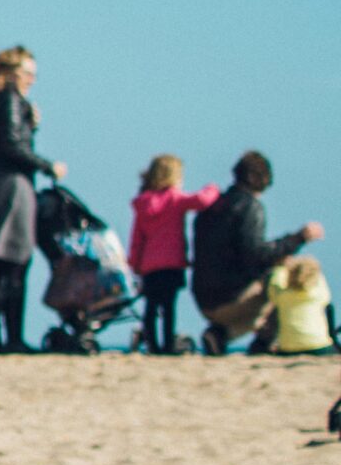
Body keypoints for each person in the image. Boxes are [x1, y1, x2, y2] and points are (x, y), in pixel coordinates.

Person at [0, 47, 65, 354]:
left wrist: (30, 123)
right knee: (13, 265)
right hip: (13, 187)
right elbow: (13, 145)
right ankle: (10, 339)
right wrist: (48, 165)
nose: (31, 81)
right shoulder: (11, 100)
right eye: (28, 74)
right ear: (10, 73)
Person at [192, 152, 324, 357]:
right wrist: (299, 238)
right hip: (231, 298)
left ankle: (219, 335)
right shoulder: (250, 207)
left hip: (203, 296)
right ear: (256, 178)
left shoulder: (213, 206)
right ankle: (261, 341)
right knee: (279, 282)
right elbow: (254, 255)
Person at [127, 156, 219, 354]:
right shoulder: (175, 199)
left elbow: (137, 238)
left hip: (149, 265)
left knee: (150, 308)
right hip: (171, 263)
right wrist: (213, 188)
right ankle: (168, 345)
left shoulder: (143, 204)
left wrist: (134, 263)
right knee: (169, 308)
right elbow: (202, 200)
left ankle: (152, 345)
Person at [266, 258, 336, 354]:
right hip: (318, 345)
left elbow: (274, 283)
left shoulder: (281, 296)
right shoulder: (319, 294)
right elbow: (318, 277)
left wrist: (281, 267)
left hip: (289, 348)